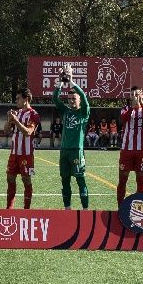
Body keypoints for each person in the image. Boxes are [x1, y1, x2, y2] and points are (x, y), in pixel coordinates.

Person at [52, 70, 91, 209]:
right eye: (69, 99)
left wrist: (72, 81)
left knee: (80, 179)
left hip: (76, 151)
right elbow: (55, 99)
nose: (71, 101)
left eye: (74, 98)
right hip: (64, 151)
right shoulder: (65, 111)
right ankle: (67, 208)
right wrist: (61, 82)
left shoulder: (83, 113)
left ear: (79, 100)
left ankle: (85, 209)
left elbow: (85, 99)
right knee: (65, 180)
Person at [117, 87, 143, 202]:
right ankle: (120, 208)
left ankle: (140, 208)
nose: (134, 96)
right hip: (126, 149)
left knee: (141, 180)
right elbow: (123, 119)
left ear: (142, 95)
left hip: (142, 149)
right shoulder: (125, 109)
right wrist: (132, 108)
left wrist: (141, 104)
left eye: (137, 94)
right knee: (123, 179)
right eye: (132, 94)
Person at [4, 89, 40, 209]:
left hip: (26, 154)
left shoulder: (34, 114)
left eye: (18, 98)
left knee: (26, 180)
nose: (16, 101)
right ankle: (9, 208)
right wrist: (9, 120)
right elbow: (6, 131)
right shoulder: (17, 113)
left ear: (26, 99)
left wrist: (16, 121)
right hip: (14, 153)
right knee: (10, 178)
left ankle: (26, 209)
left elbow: (28, 132)